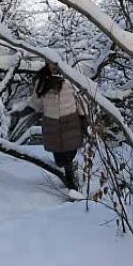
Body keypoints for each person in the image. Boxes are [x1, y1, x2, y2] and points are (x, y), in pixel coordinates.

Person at [30, 62, 87, 190]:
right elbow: (36, 103)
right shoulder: (41, 81)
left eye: (55, 63)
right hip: (52, 123)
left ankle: (71, 181)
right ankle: (68, 178)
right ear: (46, 64)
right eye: (50, 64)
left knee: (70, 153)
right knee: (59, 157)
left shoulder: (70, 79)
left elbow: (79, 99)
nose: (54, 66)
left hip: (70, 121)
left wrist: (83, 117)